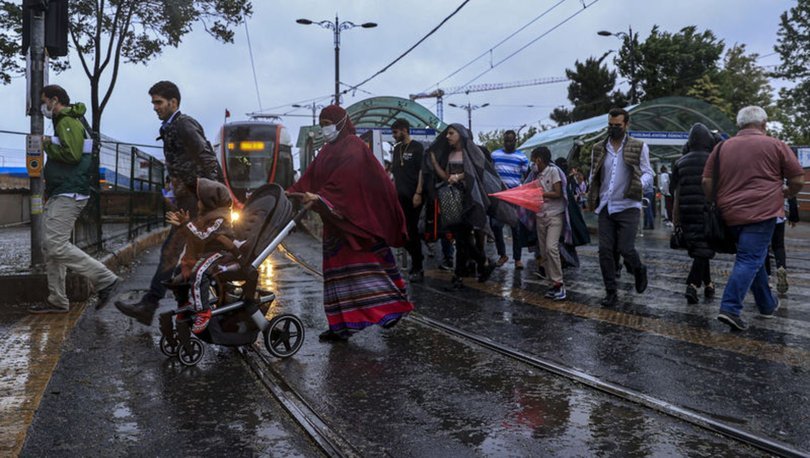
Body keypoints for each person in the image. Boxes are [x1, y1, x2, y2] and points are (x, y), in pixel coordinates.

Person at [287, 105, 414, 341]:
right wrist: (289, 193)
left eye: (328, 123)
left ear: (342, 122)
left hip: (360, 223)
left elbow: (347, 181)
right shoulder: (326, 151)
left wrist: (322, 197)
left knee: (371, 268)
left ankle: (391, 308)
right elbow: (309, 178)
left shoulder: (354, 147)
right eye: (322, 124)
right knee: (336, 277)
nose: (326, 128)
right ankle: (340, 326)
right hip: (337, 226)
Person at [116, 80, 223, 325]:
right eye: (153, 102)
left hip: (196, 202)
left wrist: (209, 195)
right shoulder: (170, 127)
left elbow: (207, 158)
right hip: (187, 200)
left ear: (173, 102)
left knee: (174, 251)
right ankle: (178, 303)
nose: (154, 107)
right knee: (183, 252)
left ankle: (153, 304)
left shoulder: (183, 125)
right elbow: (183, 161)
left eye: (158, 102)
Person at [703, 106, 804, 331]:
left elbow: (707, 182)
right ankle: (730, 307)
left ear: (740, 125)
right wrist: (786, 193)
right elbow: (797, 179)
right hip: (762, 212)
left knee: (752, 257)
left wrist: (715, 201)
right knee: (749, 259)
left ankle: (767, 305)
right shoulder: (775, 145)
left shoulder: (721, 148)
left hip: (728, 214)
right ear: (764, 124)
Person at [28, 85, 123, 314]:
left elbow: (72, 155)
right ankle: (57, 300)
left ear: (55, 100)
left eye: (44, 102)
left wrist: (47, 145)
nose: (43, 108)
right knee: (50, 246)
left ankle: (106, 279)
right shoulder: (67, 119)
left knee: (54, 245)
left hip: (70, 192)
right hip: (64, 190)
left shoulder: (66, 120)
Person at [426, 124, 516, 289]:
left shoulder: (474, 153)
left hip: (470, 200)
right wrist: (435, 163)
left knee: (462, 238)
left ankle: (463, 273)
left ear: (460, 134)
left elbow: (479, 174)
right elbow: (446, 178)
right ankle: (481, 265)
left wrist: (460, 176)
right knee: (462, 238)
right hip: (453, 200)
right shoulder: (450, 154)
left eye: (451, 133)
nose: (448, 136)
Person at [587, 107, 653, 307]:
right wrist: (593, 192)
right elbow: (594, 173)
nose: (613, 129)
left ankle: (639, 269)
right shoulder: (599, 148)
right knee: (605, 250)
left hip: (628, 205)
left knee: (625, 248)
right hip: (606, 206)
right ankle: (610, 291)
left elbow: (648, 172)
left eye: (617, 125)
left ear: (626, 125)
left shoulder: (639, 146)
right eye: (610, 125)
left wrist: (640, 184)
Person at [164, 178, 240, 333]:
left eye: (200, 201)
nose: (197, 204)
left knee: (198, 273)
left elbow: (203, 236)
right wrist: (184, 225)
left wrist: (186, 224)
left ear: (210, 202)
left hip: (219, 253)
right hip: (206, 253)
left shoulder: (220, 219)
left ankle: (203, 311)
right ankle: (183, 304)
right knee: (180, 270)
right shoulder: (205, 217)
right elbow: (195, 235)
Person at [671, 123, 718, 304]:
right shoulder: (713, 160)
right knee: (704, 248)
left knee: (700, 248)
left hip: (686, 212)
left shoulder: (680, 162)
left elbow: (672, 188)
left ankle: (708, 284)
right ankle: (692, 284)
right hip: (707, 211)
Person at [390, 118, 426, 282]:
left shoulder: (417, 147)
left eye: (395, 132)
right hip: (399, 196)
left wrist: (418, 192)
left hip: (413, 196)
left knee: (411, 230)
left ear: (404, 130)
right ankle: (417, 258)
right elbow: (395, 173)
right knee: (399, 231)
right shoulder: (396, 149)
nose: (394, 135)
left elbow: (421, 171)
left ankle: (417, 266)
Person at [490, 130, 530, 269]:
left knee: (516, 228)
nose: (508, 143)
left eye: (511, 140)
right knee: (496, 225)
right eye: (506, 140)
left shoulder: (522, 158)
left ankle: (518, 259)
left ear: (515, 141)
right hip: (499, 196)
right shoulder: (494, 155)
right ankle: (502, 255)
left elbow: (527, 176)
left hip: (515, 196)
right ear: (503, 141)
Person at [532, 147, 567, 300]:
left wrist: (540, 194)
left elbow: (558, 192)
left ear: (539, 159)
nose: (533, 164)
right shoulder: (535, 175)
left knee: (551, 247)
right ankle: (551, 284)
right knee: (544, 251)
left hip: (554, 215)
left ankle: (559, 284)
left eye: (534, 161)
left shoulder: (553, 172)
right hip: (540, 215)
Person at [765, 196, 799, 295]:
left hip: (762, 214)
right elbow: (792, 194)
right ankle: (781, 267)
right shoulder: (782, 179)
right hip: (778, 214)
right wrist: (794, 217)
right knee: (779, 245)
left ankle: (767, 277)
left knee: (764, 246)